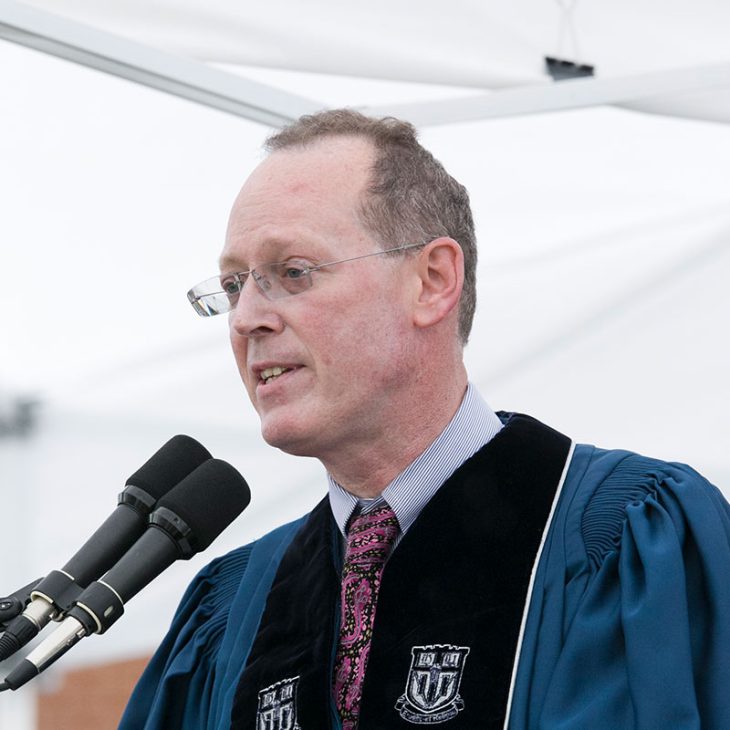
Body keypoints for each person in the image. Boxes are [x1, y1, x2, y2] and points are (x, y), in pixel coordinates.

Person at [120, 110, 730, 729]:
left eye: (293, 273)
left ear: (432, 281)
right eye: (231, 285)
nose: (246, 317)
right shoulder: (234, 611)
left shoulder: (627, 540)